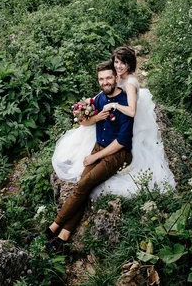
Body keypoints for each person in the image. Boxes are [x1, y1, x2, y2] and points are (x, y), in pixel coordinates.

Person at [52, 46, 176, 200]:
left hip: (126, 116)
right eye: (116, 62)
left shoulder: (130, 83)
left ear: (129, 65)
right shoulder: (118, 76)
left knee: (103, 129)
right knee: (92, 126)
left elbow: (131, 111)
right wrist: (90, 102)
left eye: (122, 63)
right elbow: (108, 90)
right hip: (116, 112)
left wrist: (114, 105)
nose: (118, 66)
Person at [36, 60, 134, 251]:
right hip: (98, 148)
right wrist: (95, 118)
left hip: (117, 154)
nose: (105, 82)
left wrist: (94, 158)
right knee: (84, 186)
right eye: (101, 79)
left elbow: (122, 141)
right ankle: (64, 236)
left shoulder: (123, 103)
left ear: (115, 77)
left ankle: (52, 228)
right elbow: (83, 121)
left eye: (108, 77)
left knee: (82, 185)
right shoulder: (99, 99)